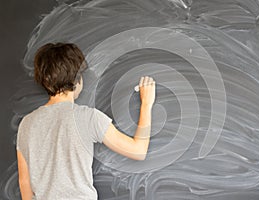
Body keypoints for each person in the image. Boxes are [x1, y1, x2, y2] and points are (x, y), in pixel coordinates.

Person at [16, 43, 155, 200]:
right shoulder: (88, 118)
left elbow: (24, 182)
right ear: (77, 80)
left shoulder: (26, 124)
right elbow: (138, 151)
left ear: (45, 81)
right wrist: (146, 104)